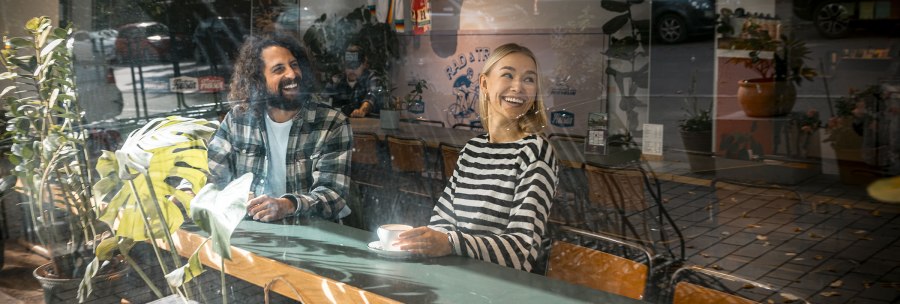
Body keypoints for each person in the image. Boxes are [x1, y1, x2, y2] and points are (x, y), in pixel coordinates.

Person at [396, 43, 559, 273]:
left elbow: (521, 252)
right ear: (484, 83)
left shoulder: (536, 152)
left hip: (500, 286)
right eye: (508, 75)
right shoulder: (473, 148)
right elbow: (441, 222)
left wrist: (450, 243)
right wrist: (437, 241)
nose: (518, 87)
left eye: (529, 79)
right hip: (457, 275)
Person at [206, 33, 352, 222]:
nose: (291, 74)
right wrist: (186, 191)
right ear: (258, 80)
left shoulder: (332, 122)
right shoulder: (238, 119)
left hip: (314, 232)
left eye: (294, 65)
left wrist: (287, 205)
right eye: (278, 69)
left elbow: (333, 195)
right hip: (255, 229)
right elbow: (210, 173)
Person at [325, 43, 385, 118]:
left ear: (364, 64)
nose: (352, 70)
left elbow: (372, 95)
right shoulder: (335, 81)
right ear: (344, 64)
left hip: (369, 127)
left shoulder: (371, 78)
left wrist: (362, 110)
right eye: (349, 65)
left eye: (356, 65)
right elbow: (323, 103)